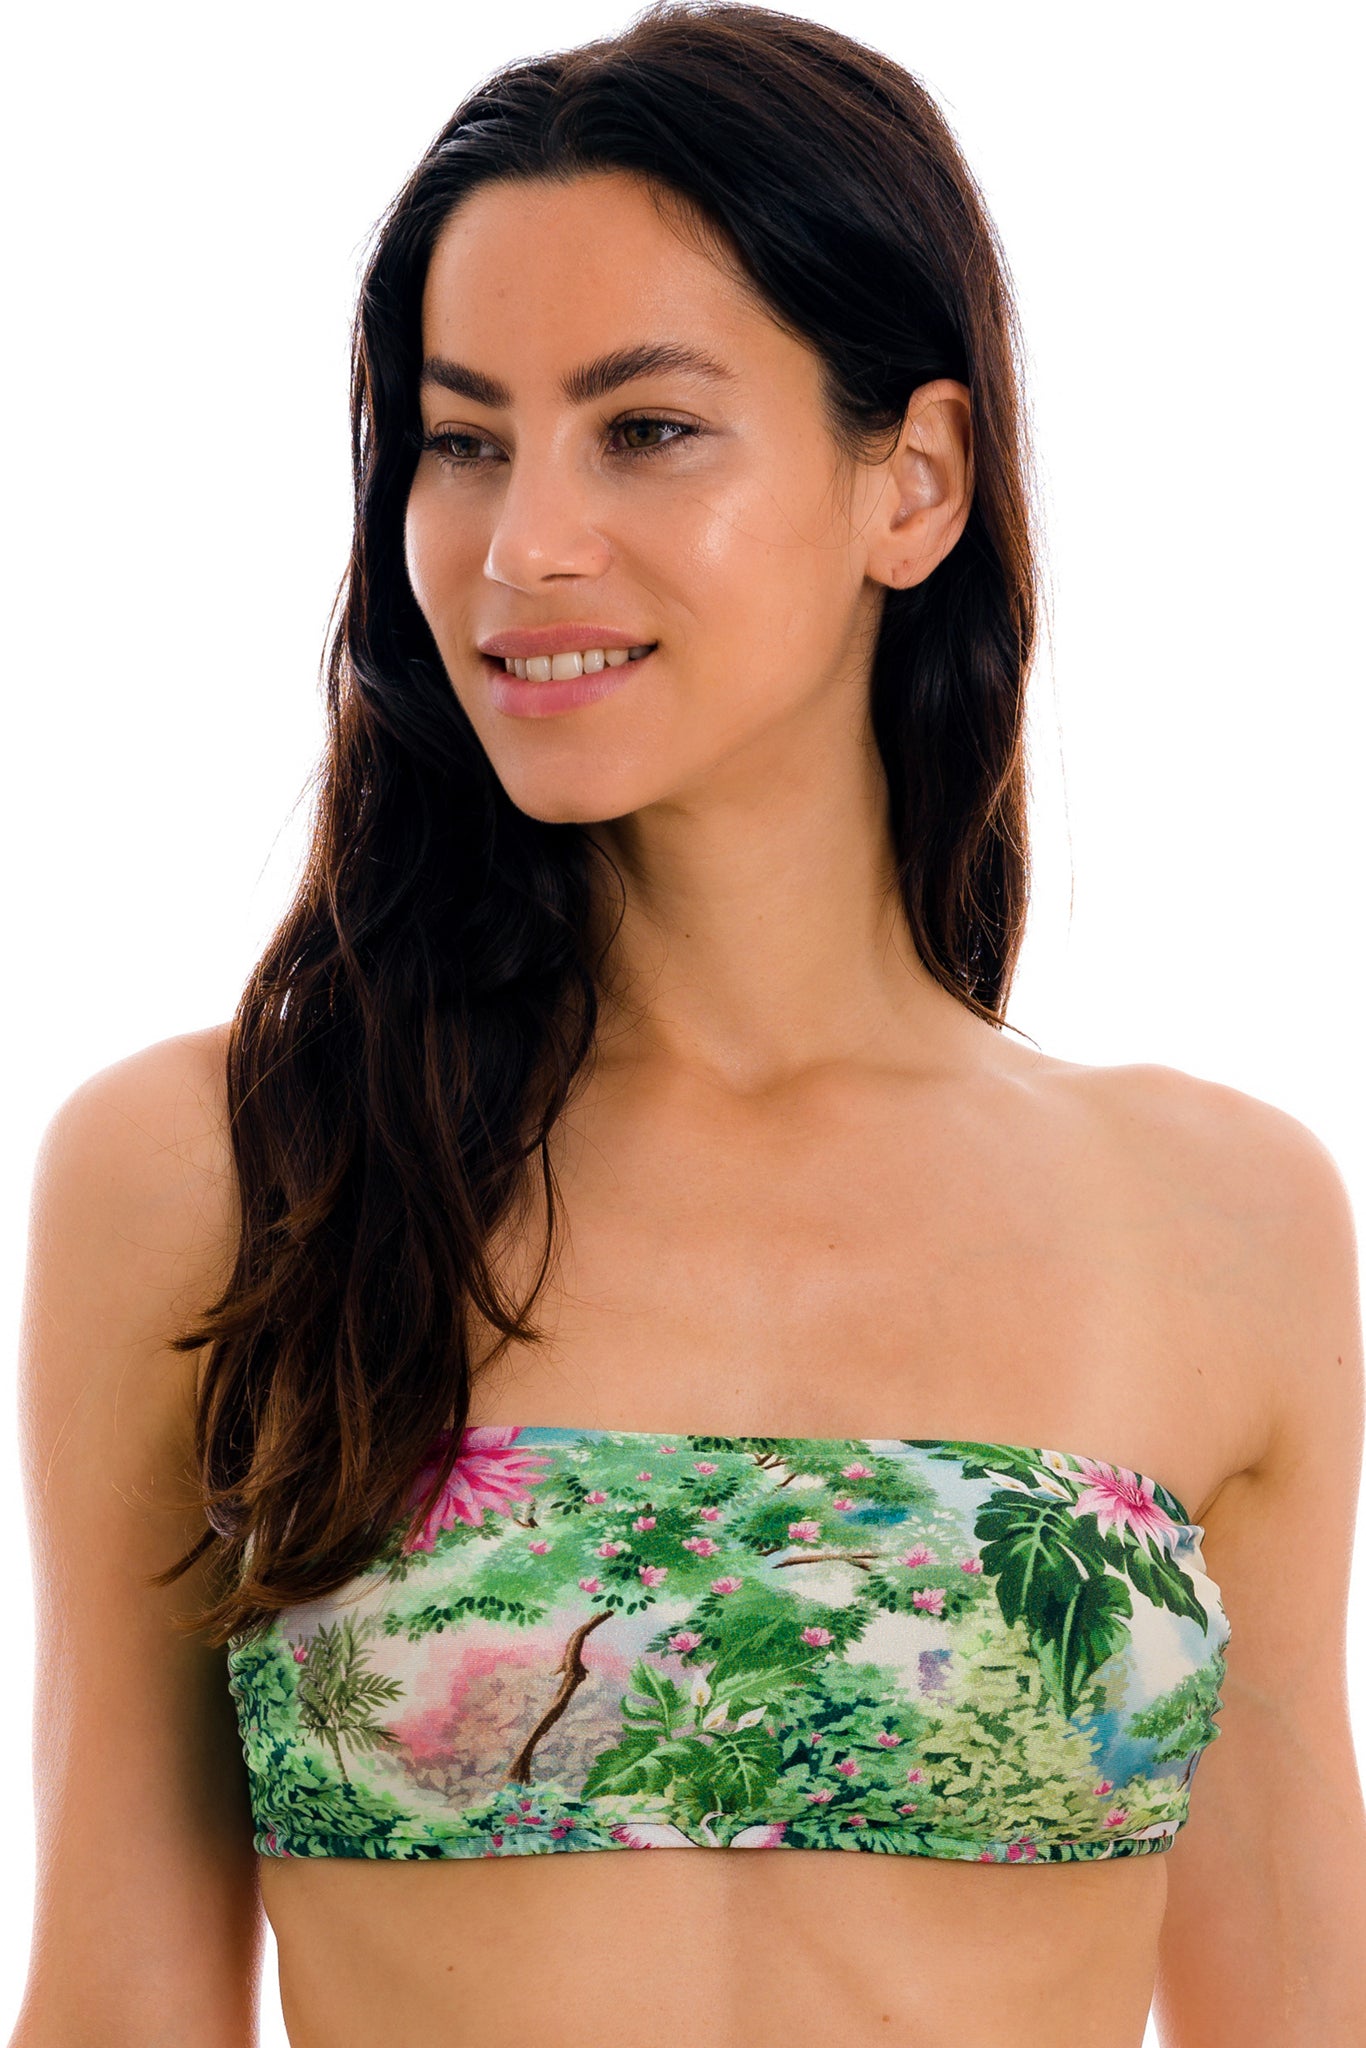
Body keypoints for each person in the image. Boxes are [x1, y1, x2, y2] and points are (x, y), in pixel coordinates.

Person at [12, 4, 1366, 2044]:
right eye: (464, 440)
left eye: (642, 429)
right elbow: (119, 1998)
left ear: (912, 483)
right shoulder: (226, 1170)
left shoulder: (1218, 1213)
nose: (522, 544)